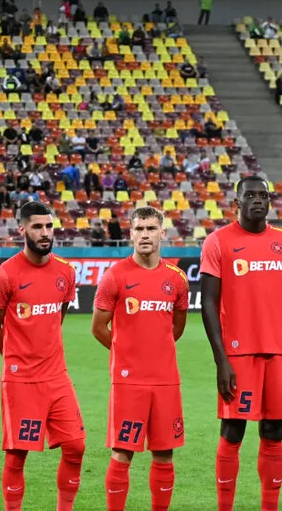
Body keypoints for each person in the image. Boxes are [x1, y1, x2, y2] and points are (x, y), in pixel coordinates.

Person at [200, 176, 282, 511]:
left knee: (274, 430)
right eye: (250, 195)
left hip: (279, 352)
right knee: (233, 430)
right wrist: (221, 361)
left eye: (264, 195)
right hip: (238, 353)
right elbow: (208, 304)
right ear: (237, 202)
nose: (258, 200)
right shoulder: (218, 242)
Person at [92, 206, 189, 511]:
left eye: (150, 228)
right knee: (123, 451)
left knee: (164, 453)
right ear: (130, 234)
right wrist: (127, 352)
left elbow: (177, 327)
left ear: (162, 233)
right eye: (139, 229)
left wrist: (154, 350)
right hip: (128, 381)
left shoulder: (176, 279)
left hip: (165, 380)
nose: (145, 235)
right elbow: (98, 327)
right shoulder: (115, 276)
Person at [0, 203, 84, 511]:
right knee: (17, 455)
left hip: (57, 375)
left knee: (76, 446)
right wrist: (14, 357)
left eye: (48, 227)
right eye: (37, 227)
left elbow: (59, 314)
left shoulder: (66, 272)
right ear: (23, 230)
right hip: (21, 380)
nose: (44, 233)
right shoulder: (6, 275)